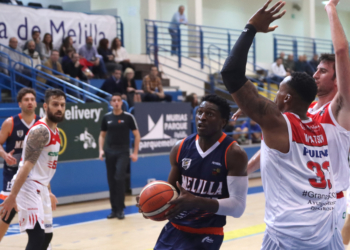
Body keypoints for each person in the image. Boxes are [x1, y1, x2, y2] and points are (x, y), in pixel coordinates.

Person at [221, 1, 345, 248]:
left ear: (287, 98)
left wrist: (251, 28)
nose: (274, 96)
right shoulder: (318, 124)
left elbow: (231, 73)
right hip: (325, 227)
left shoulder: (284, 123)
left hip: (290, 233)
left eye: (278, 91)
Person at [137, 94, 248, 250]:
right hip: (174, 229)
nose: (202, 117)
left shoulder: (234, 154)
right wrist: (150, 204)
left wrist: (196, 200)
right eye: (200, 112)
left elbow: (238, 208)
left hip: (207, 233)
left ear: (223, 122)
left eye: (209, 114)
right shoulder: (180, 147)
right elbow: (172, 193)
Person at [0, 88, 66, 250]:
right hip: (28, 186)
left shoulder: (55, 131)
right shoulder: (41, 131)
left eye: (62, 105)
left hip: (40, 187)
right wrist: (12, 196)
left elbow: (43, 168)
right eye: (55, 104)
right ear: (45, 106)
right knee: (36, 236)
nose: (59, 108)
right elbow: (26, 166)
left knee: (47, 235)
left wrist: (49, 191)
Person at [0, 88, 41, 242]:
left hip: (34, 174)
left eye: (32, 99)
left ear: (36, 103)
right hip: (13, 173)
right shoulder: (10, 123)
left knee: (38, 212)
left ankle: (42, 243)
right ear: (20, 103)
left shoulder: (41, 124)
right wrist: (4, 154)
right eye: (26, 99)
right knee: (7, 212)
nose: (29, 102)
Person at [99, 93, 140, 220]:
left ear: (122, 103)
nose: (116, 102)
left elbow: (137, 135)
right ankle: (114, 209)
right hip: (109, 152)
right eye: (114, 100)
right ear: (111, 103)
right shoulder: (106, 117)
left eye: (118, 100)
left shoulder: (128, 117)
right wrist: (100, 150)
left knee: (119, 178)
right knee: (111, 180)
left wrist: (135, 152)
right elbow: (102, 135)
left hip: (123, 152)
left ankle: (121, 209)